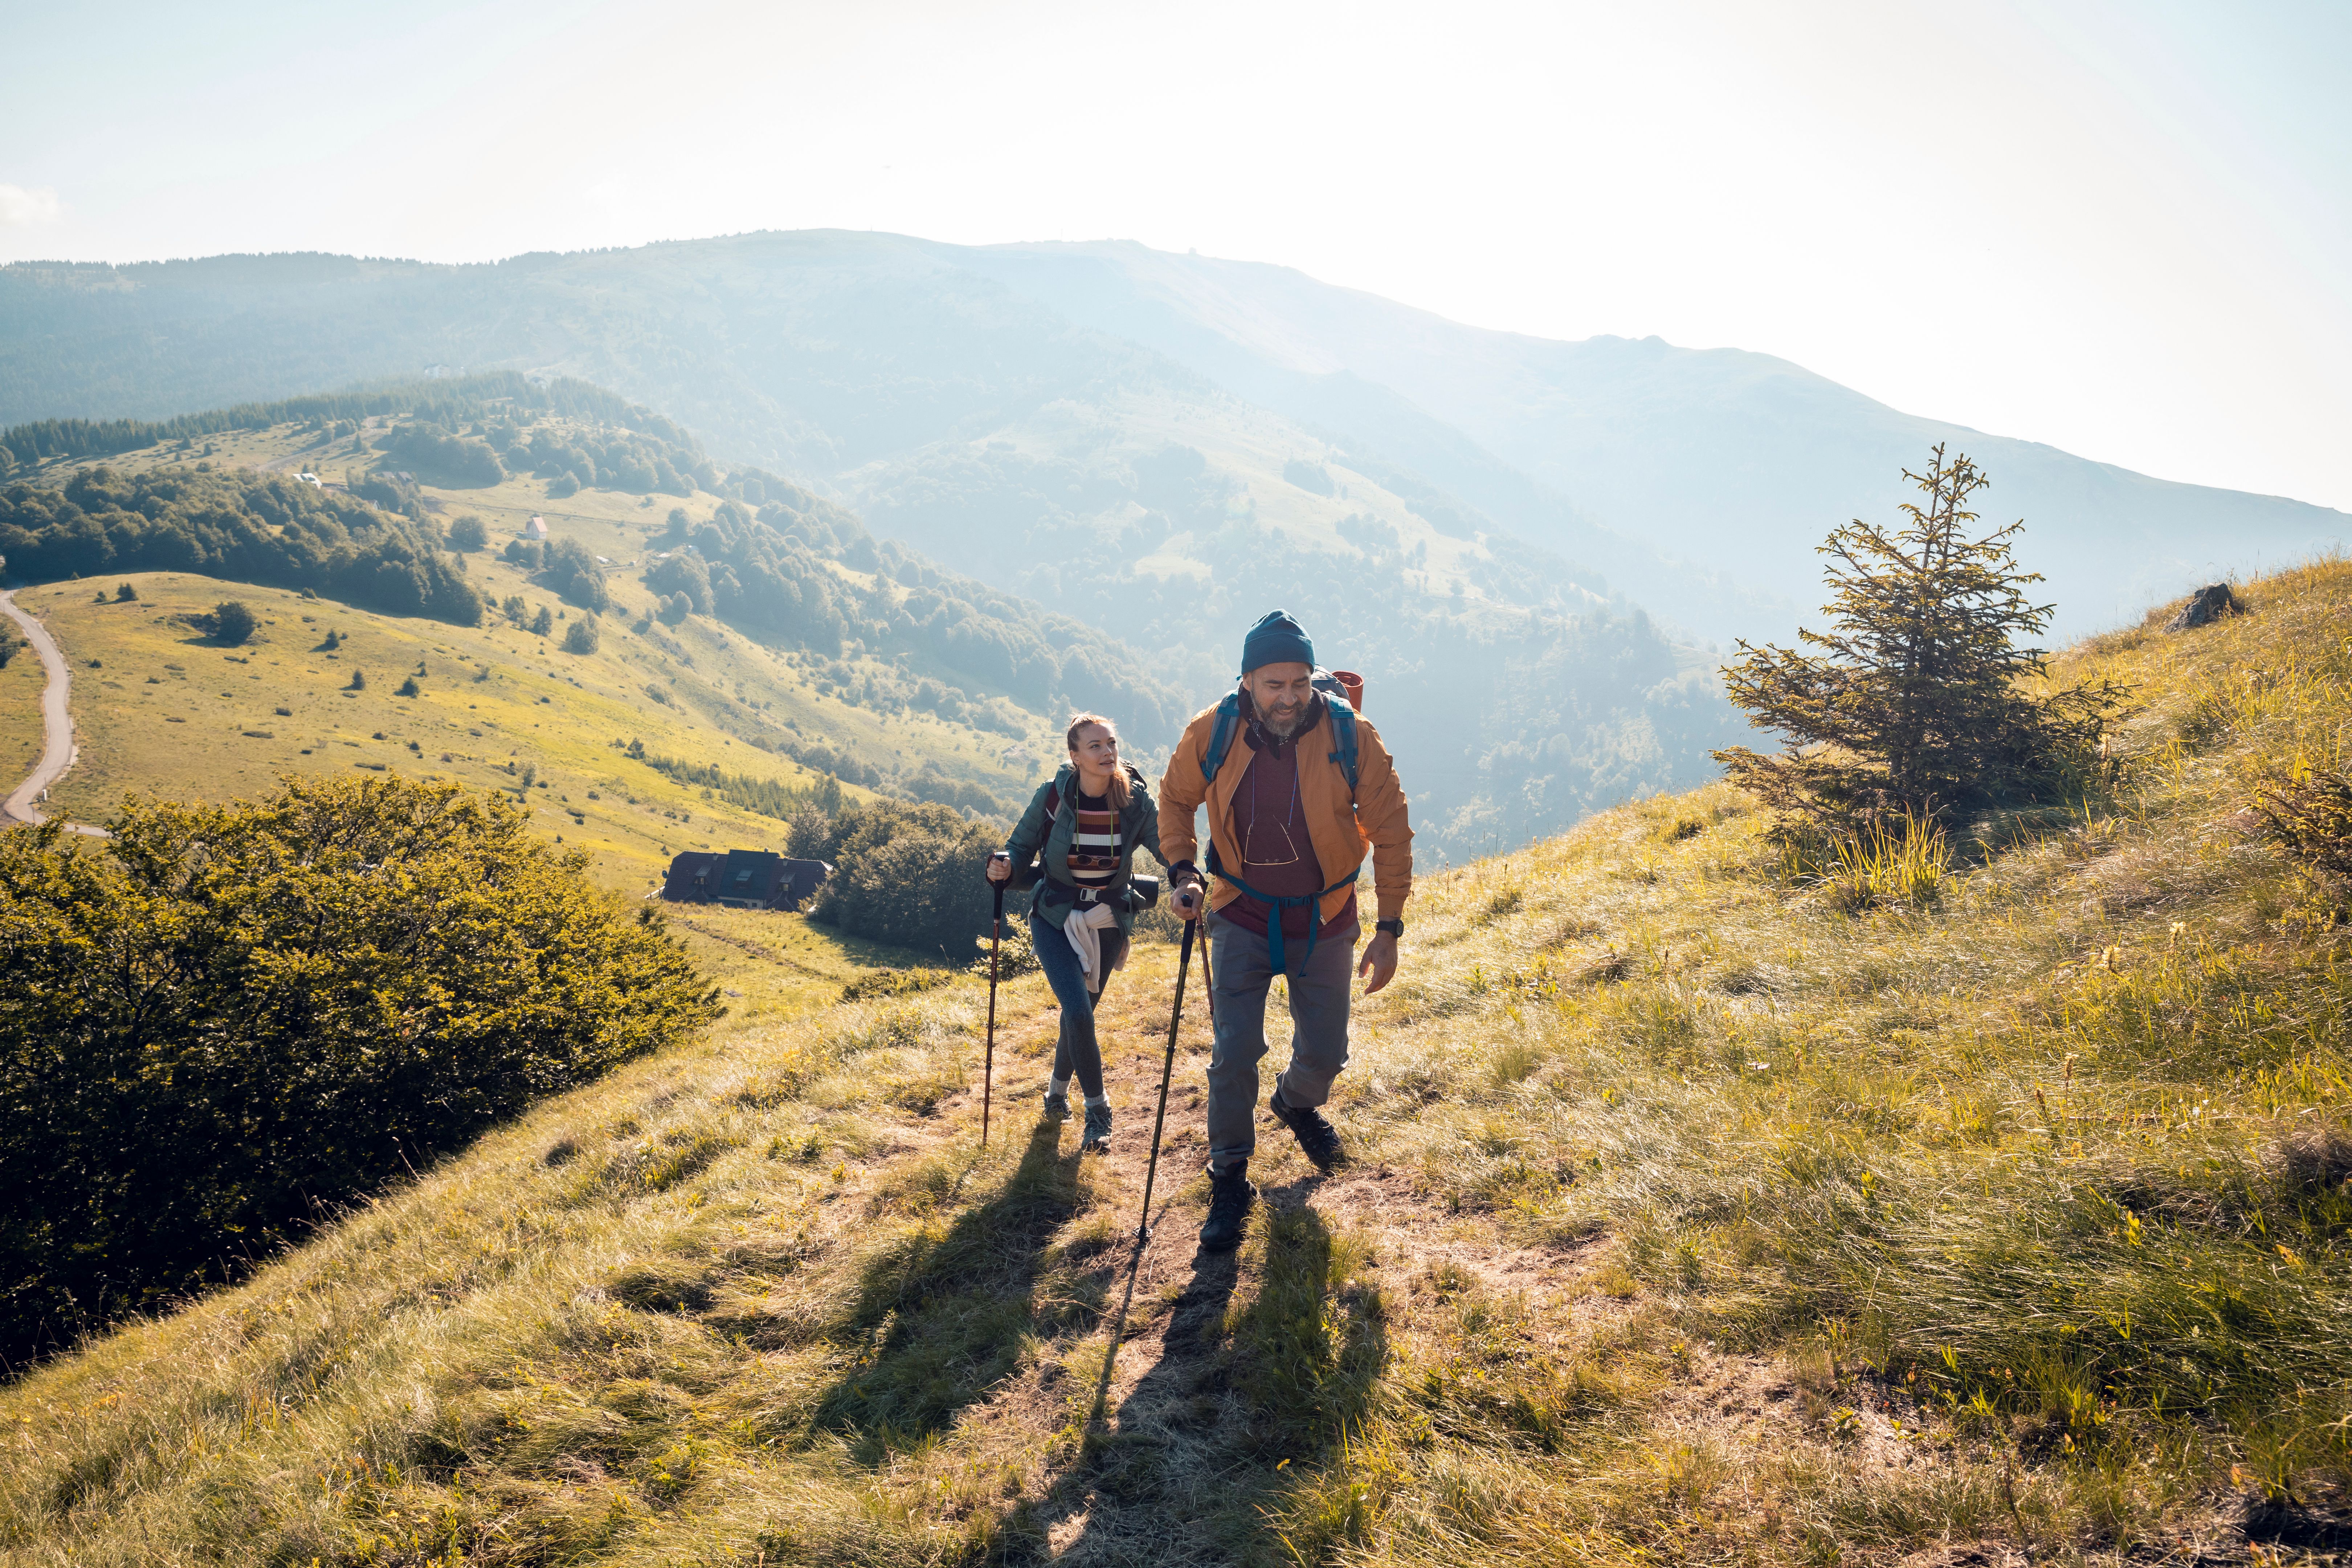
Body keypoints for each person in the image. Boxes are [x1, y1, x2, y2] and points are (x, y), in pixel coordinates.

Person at [1160, 609, 1413, 1251]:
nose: (1288, 698)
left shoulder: (1350, 734)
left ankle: (1298, 1103)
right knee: (1234, 1053)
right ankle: (1230, 1177)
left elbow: (1391, 828)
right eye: (1274, 684)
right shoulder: (1212, 730)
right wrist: (1183, 870)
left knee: (1327, 1053)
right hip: (1242, 912)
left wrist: (1389, 927)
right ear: (1247, 682)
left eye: (1299, 683)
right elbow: (1174, 798)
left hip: (1325, 918)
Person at [989, 712, 1171, 1153]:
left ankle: (1055, 1095)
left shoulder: (1135, 802)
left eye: (1111, 743)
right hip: (1053, 916)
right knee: (1079, 1012)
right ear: (1074, 756)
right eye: (1095, 746)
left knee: (1078, 1015)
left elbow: (1169, 846)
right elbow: (1020, 845)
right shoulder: (1053, 797)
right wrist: (1006, 865)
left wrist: (1188, 875)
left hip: (1108, 921)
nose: (1108, 752)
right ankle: (1098, 1110)